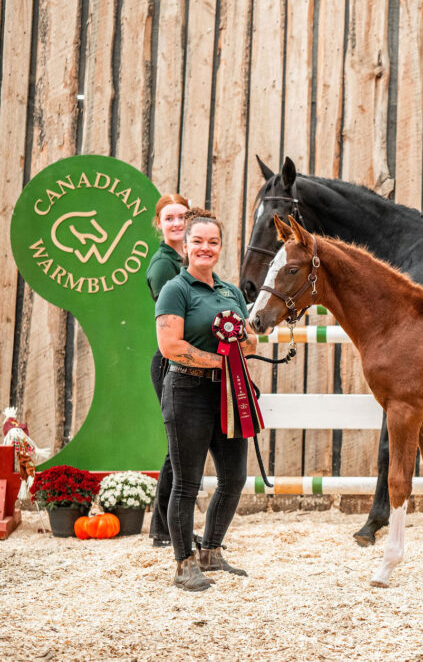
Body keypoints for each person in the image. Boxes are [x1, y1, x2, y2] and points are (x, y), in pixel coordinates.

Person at [155, 211, 255, 591]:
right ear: (186, 245)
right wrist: (221, 360)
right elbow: (171, 346)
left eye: (212, 242)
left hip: (230, 393)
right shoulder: (175, 290)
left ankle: (211, 551)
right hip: (187, 391)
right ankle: (183, 563)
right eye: (198, 241)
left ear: (219, 247)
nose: (205, 248)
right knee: (187, 483)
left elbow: (250, 340)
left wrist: (242, 343)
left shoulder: (230, 292)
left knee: (234, 478)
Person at [146, 193, 190, 548]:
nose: (177, 223)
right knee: (181, 446)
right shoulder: (164, 266)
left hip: (189, 359)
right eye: (170, 218)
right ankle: (165, 529)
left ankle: (164, 528)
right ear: (158, 223)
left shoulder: (189, 259)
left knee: (184, 445)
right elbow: (176, 317)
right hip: (171, 360)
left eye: (183, 217)